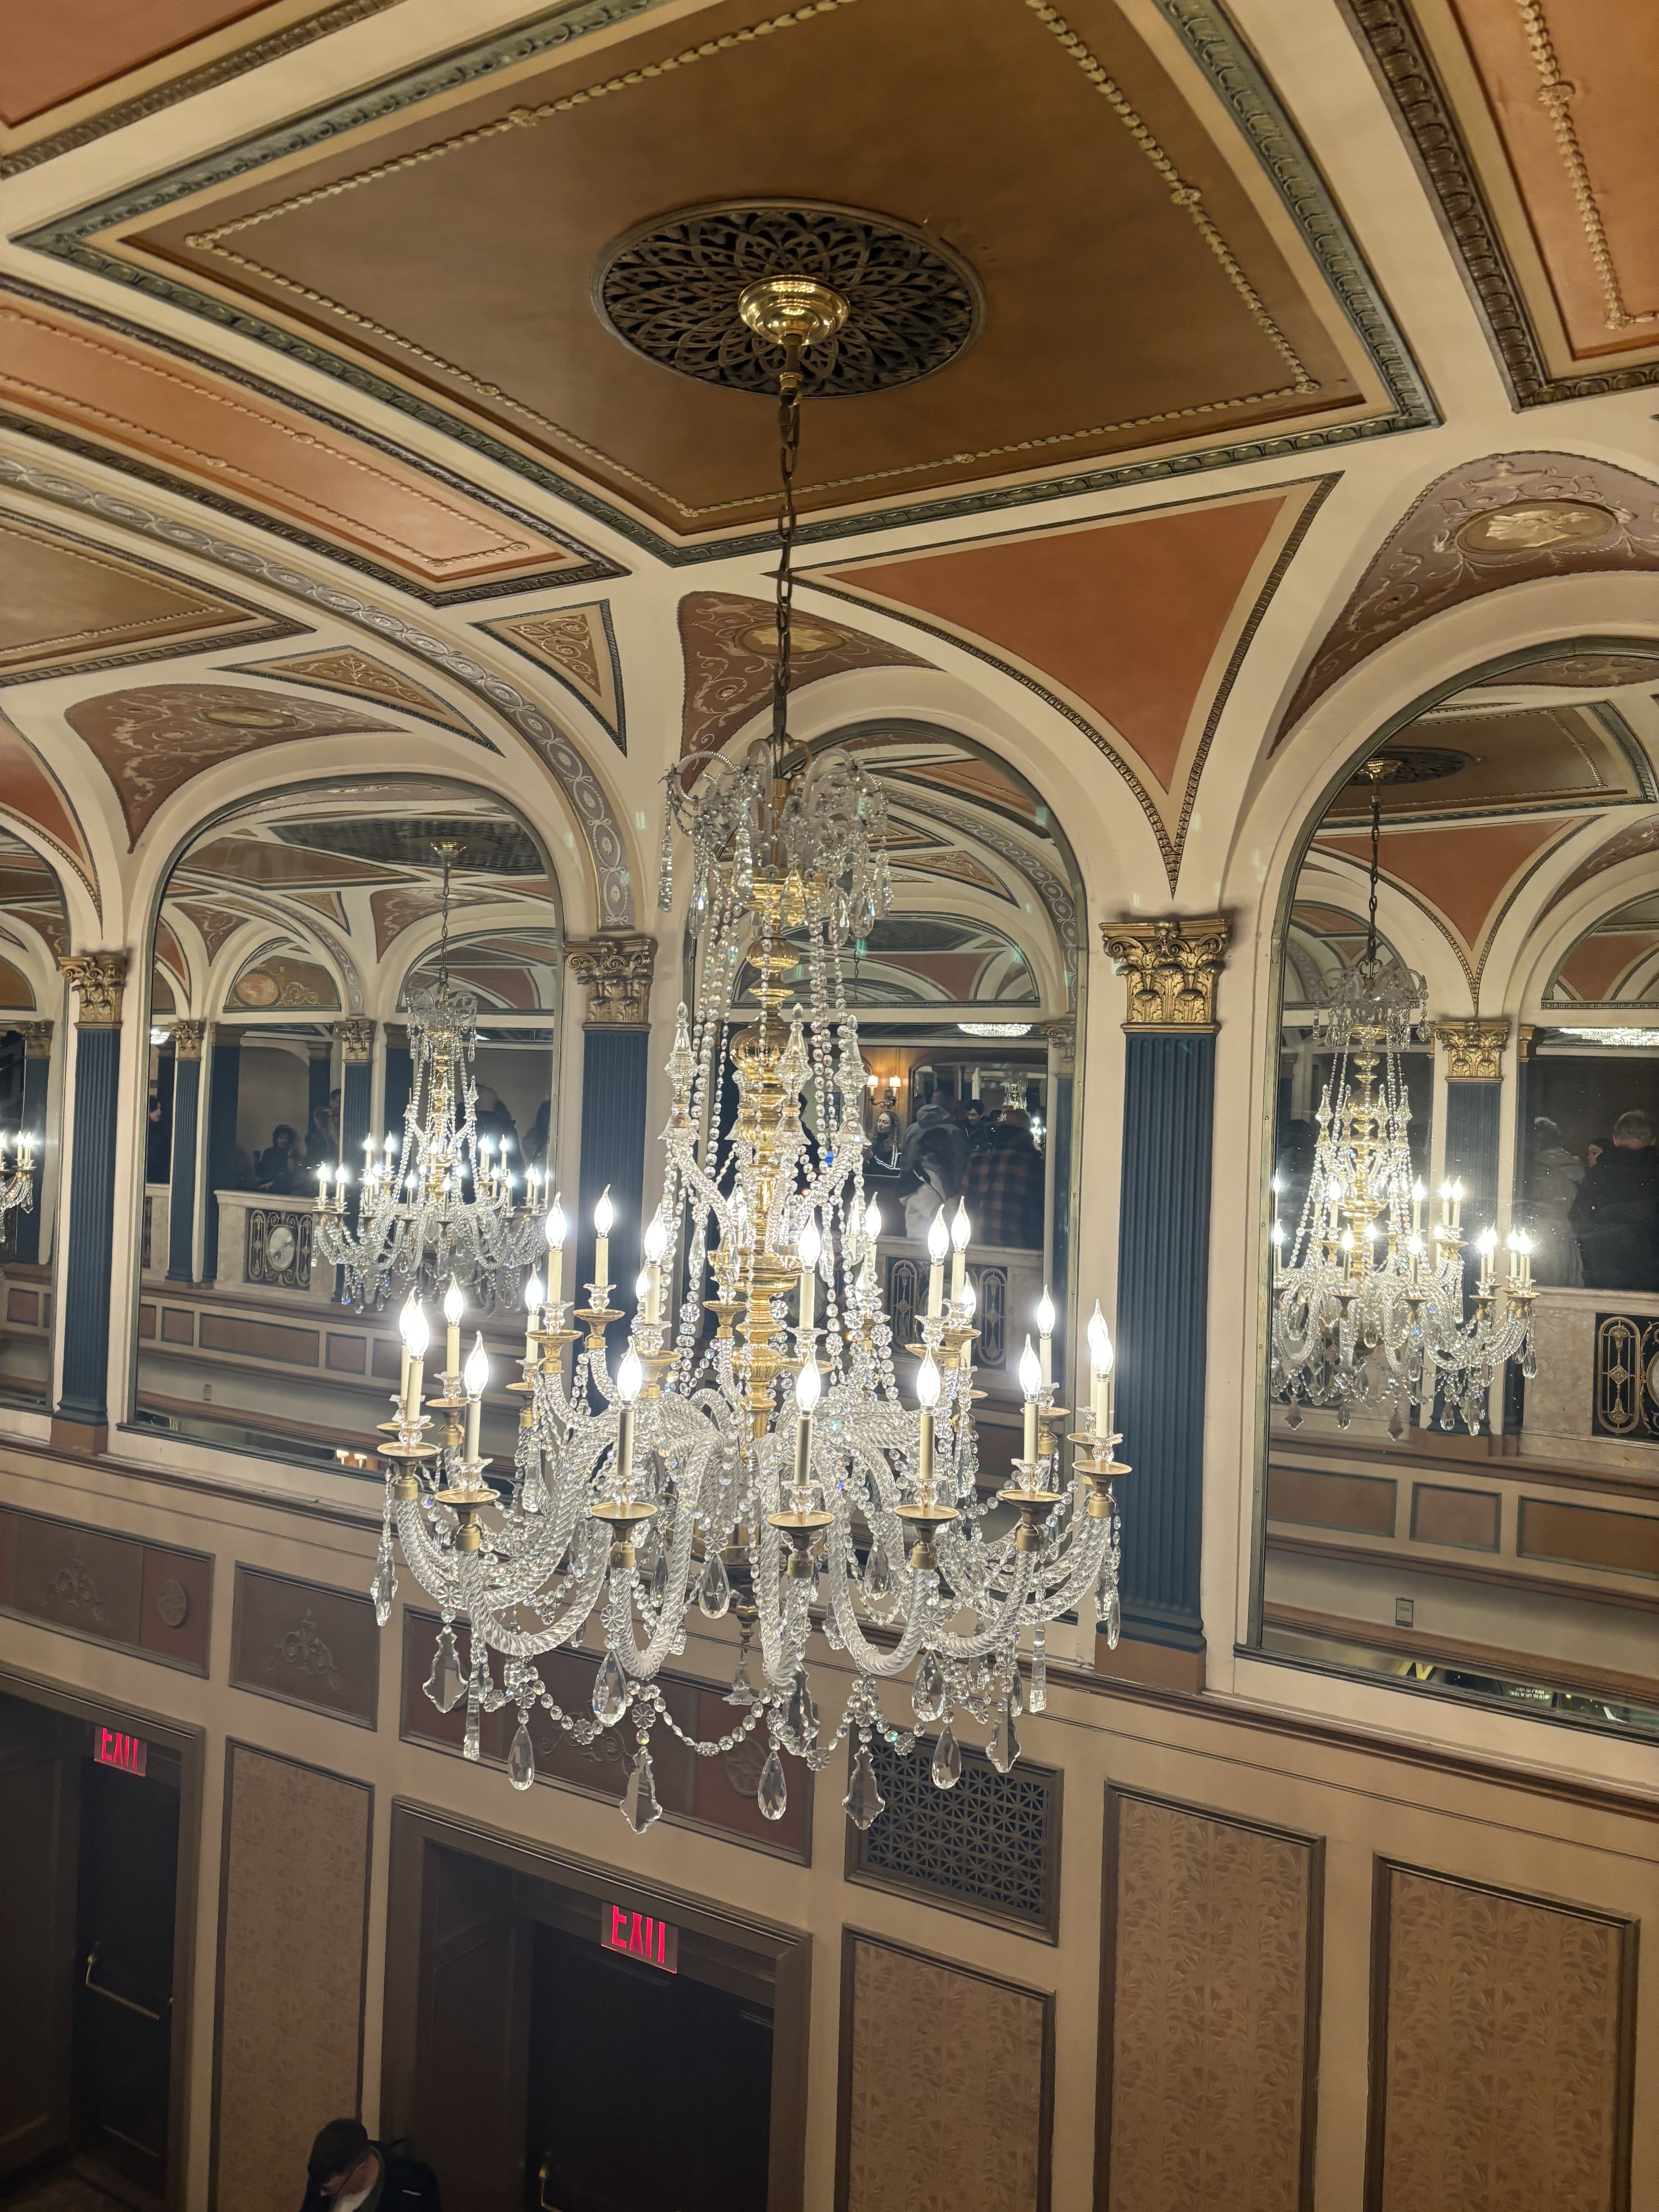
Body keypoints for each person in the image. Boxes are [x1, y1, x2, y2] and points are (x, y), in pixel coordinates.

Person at [1570, 1108, 1659, 1290]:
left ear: (1616, 1140)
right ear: (1653, 1141)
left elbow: (1578, 1219)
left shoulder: (1599, 1177)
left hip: (1604, 1282)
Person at [301, 2118, 440, 2212]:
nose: (322, 2194)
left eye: (330, 2190)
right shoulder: (322, 2176)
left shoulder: (416, 2187)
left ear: (361, 2165)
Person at [967, 1104, 1045, 1249]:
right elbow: (1040, 1210)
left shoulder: (977, 1159)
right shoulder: (1033, 1164)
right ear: (1024, 1136)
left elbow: (964, 1201)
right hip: (1020, 1249)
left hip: (978, 1246)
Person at [1524, 1116, 1584, 1286]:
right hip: (1568, 1243)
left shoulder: (1534, 1172)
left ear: (1535, 1144)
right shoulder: (1576, 1170)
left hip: (1539, 1244)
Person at [255, 1123, 304, 1195]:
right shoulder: (269, 1152)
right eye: (282, 1138)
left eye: (287, 1139)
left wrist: (290, 1155)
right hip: (266, 1183)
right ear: (277, 1139)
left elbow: (291, 1174)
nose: (284, 1141)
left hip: (283, 1185)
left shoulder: (294, 1154)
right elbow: (261, 1173)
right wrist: (256, 1163)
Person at [867, 1108, 902, 1178]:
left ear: (893, 1126)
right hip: (870, 1181)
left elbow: (894, 1170)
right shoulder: (874, 1141)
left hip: (886, 1184)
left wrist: (872, 1158)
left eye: (885, 1123)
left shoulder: (895, 1145)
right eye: (879, 1121)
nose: (880, 1125)